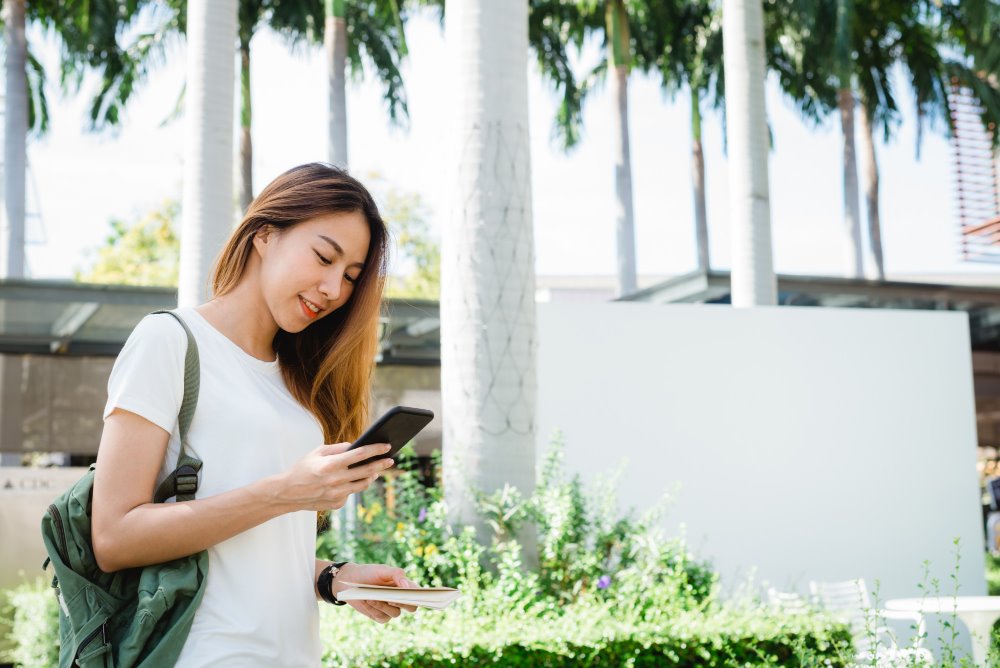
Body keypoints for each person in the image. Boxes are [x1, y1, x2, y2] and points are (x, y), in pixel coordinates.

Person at [91, 163, 418, 667]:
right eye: (324, 257)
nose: (333, 288)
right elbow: (114, 537)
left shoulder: (296, 381)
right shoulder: (171, 341)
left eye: (351, 277)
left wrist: (334, 578)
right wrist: (286, 491)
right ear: (265, 234)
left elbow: (247, 552)